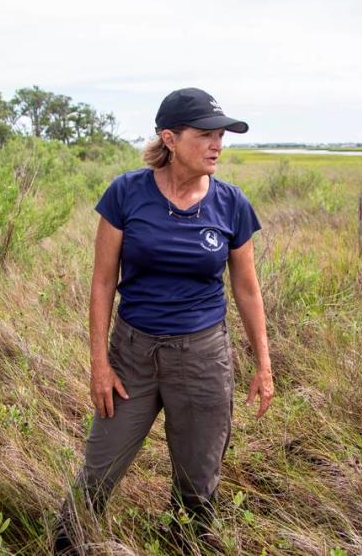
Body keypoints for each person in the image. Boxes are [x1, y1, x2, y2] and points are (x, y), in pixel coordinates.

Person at [55, 88, 274, 553]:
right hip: (132, 355)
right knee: (97, 472)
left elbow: (247, 290)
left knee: (197, 485)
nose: (217, 145)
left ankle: (184, 545)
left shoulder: (231, 204)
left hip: (201, 359)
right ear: (170, 139)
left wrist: (264, 365)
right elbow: (101, 284)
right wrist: (99, 363)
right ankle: (66, 546)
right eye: (206, 135)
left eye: (221, 135)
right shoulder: (125, 193)